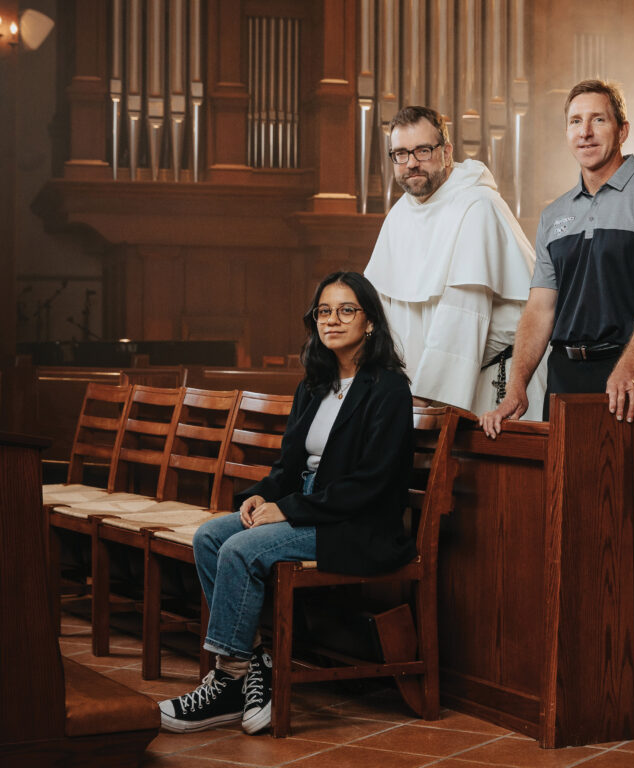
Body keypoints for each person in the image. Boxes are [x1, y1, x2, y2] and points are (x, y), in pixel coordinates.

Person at [480, 79, 634, 723]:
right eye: (575, 121)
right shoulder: (554, 214)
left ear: (622, 129)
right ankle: (589, 669)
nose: (586, 131)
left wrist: (627, 368)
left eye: (598, 119)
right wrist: (518, 384)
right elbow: (540, 310)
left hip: (633, 379)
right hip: (566, 384)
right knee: (575, 531)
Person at [158, 271, 415, 734]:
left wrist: (290, 509)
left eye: (346, 310)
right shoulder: (315, 384)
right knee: (211, 536)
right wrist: (263, 495)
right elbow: (289, 464)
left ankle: (228, 681)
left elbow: (371, 484)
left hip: (357, 523)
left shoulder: (389, 388)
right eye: (323, 311)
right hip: (312, 508)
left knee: (241, 549)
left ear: (370, 322)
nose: (332, 320)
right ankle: (256, 663)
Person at [364, 105, 546, 418]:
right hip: (420, 391)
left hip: (487, 383)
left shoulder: (477, 206)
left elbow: (464, 312)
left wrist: (424, 394)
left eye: (423, 151)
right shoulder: (399, 216)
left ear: (447, 152)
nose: (411, 164)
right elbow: (383, 310)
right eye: (400, 154)